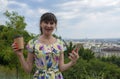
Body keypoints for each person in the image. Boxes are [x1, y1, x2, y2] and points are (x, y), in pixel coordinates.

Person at [12, 12, 79, 79]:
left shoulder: (60, 43)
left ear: (55, 25)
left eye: (51, 23)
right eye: (46, 22)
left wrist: (72, 62)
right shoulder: (33, 43)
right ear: (41, 24)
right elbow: (28, 70)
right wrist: (20, 55)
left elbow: (61, 68)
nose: (49, 25)